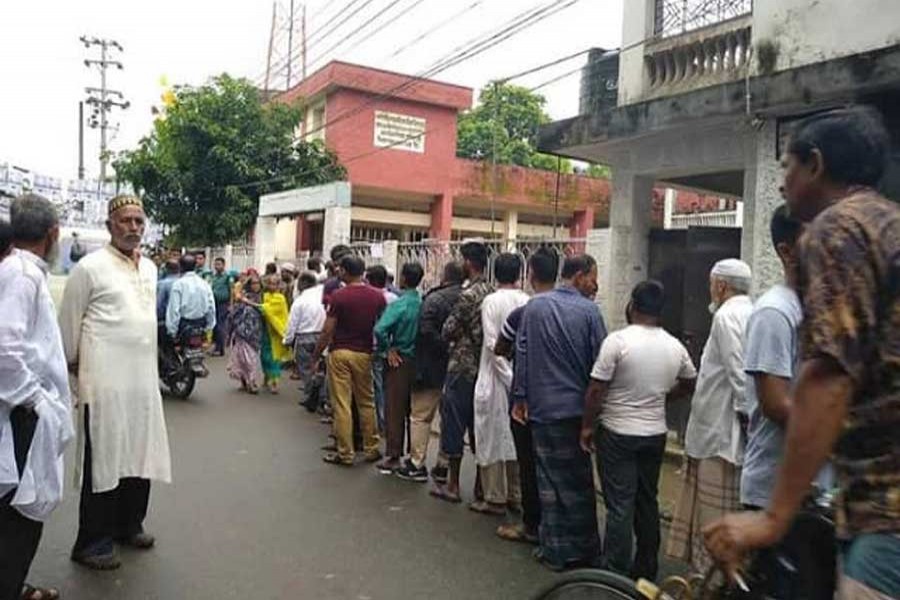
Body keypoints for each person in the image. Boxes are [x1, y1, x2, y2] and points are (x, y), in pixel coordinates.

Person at [704, 107, 900, 600]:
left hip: (887, 504)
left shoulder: (837, 229)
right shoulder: (888, 225)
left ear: (815, 164)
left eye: (788, 166)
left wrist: (774, 517)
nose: (781, 183)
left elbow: (828, 378)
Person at [59, 194, 172, 570]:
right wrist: (75, 377)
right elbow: (68, 329)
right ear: (110, 225)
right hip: (104, 383)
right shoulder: (89, 268)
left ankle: (128, 526)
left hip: (142, 382)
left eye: (140, 221)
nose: (134, 228)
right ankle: (92, 542)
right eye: (126, 221)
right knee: (104, 460)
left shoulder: (152, 268)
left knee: (139, 454)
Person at [581, 280, 697, 580]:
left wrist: (587, 426)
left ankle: (614, 569)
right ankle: (646, 567)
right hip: (654, 433)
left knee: (620, 502)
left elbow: (596, 390)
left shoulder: (618, 342)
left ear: (632, 305)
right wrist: (663, 397)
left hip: (618, 431)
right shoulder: (674, 346)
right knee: (647, 499)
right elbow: (690, 382)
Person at [0, 195, 74, 600]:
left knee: (20, 510)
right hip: (22, 412)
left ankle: (12, 584)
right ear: (53, 233)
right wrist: (35, 400)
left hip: (26, 408)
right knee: (22, 514)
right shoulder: (23, 275)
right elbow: (5, 348)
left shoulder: (24, 271)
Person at [513, 254, 605, 571]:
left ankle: (555, 550)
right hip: (577, 410)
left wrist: (520, 397)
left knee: (549, 481)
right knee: (580, 482)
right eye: (593, 277)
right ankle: (586, 548)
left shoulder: (535, 307)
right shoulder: (591, 312)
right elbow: (600, 364)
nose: (596, 284)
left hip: (543, 408)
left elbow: (522, 353)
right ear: (578, 276)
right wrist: (595, 412)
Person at [667, 258, 753, 573]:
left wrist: (748, 419)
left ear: (720, 285)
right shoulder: (750, 311)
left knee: (713, 514)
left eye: (711, 284)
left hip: (720, 433)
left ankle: (711, 579)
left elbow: (739, 371)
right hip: (723, 430)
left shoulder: (727, 316)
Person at [495, 247, 558, 544]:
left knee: (529, 464)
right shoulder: (585, 310)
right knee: (559, 467)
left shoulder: (524, 312)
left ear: (531, 274)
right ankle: (557, 525)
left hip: (528, 402)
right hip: (567, 403)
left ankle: (532, 525)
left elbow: (500, 348)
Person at [430, 241, 495, 504]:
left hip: (463, 366)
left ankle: (454, 485)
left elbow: (448, 330)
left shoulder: (469, 296)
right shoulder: (491, 291)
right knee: (479, 427)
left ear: (469, 262)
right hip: (486, 367)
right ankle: (480, 487)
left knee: (454, 424)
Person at [313, 255, 386, 466]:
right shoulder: (377, 297)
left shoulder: (338, 296)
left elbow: (328, 329)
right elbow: (382, 326)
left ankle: (345, 452)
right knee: (367, 401)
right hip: (364, 352)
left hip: (340, 351)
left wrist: (317, 354)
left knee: (342, 403)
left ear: (344, 271)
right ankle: (371, 447)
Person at [395, 261, 464, 483]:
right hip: (460, 368)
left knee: (420, 416)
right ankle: (443, 465)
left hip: (430, 366)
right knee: (450, 419)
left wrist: (443, 346)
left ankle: (417, 463)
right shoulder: (470, 297)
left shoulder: (434, 299)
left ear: (445, 276)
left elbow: (424, 331)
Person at [471, 253, 529, 515]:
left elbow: (493, 344)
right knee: (514, 437)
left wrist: (508, 379)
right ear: (520, 274)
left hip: (496, 378)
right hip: (520, 379)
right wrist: (516, 380)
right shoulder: (527, 301)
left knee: (493, 436)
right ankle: (517, 495)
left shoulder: (490, 302)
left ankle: (495, 497)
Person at [372, 262, 425, 474]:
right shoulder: (422, 303)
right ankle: (414, 456)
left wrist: (388, 348)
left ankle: (393, 455)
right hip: (419, 360)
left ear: (403, 279)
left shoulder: (399, 305)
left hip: (399, 359)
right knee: (415, 412)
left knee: (395, 408)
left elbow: (380, 329)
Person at [284, 272, 326, 409]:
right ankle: (322, 396)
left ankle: (311, 396)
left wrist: (287, 340)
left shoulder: (299, 301)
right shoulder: (323, 296)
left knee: (306, 369)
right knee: (321, 367)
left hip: (304, 337)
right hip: (322, 335)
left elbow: (292, 324)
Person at [366, 264, 398, 433]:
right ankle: (386, 420)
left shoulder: (368, 296)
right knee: (387, 385)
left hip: (374, 345)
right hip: (391, 346)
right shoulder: (394, 298)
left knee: (375, 385)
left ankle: (380, 421)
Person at [165, 254, 216, 347]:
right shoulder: (204, 284)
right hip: (201, 323)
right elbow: (211, 307)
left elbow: (174, 310)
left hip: (184, 325)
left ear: (180, 267)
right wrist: (210, 326)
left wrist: (172, 331)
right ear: (195, 266)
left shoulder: (178, 284)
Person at [228, 270, 264, 394]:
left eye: (258, 283)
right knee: (241, 358)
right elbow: (233, 313)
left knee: (252, 359)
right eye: (253, 283)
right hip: (241, 332)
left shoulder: (263, 297)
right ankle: (245, 381)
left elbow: (264, 310)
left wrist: (248, 302)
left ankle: (252, 382)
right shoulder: (242, 296)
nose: (256, 286)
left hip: (255, 333)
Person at [256, 274, 291, 394]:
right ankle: (266, 377)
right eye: (270, 283)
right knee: (264, 357)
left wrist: (249, 302)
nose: (272, 286)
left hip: (275, 332)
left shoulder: (280, 298)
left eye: (274, 284)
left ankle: (274, 382)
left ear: (278, 285)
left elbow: (266, 310)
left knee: (274, 358)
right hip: (265, 330)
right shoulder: (264, 296)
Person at [210, 257, 235, 357]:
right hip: (214, 303)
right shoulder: (214, 276)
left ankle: (220, 348)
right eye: (215, 264)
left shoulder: (228, 276)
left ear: (223, 265)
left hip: (223, 303)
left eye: (219, 264)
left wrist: (231, 304)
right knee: (214, 325)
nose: (217, 266)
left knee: (220, 325)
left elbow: (231, 290)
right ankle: (217, 346)